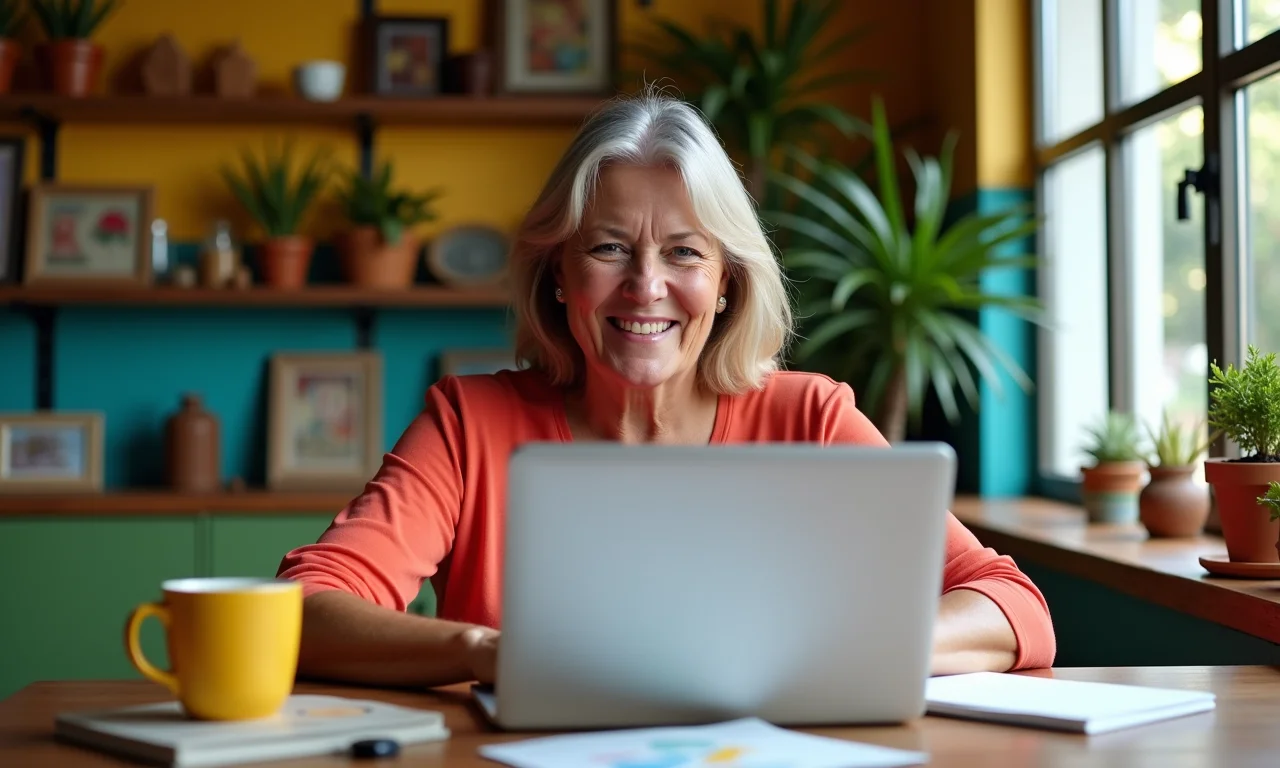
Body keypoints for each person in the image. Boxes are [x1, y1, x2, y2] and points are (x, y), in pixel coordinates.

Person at [276, 90, 1056, 689]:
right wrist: (493, 652)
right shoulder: (468, 423)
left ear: (725, 284)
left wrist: (834, 652)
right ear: (558, 277)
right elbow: (303, 611)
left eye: (684, 253)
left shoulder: (811, 417)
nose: (646, 287)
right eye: (609, 248)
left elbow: (1013, 606)